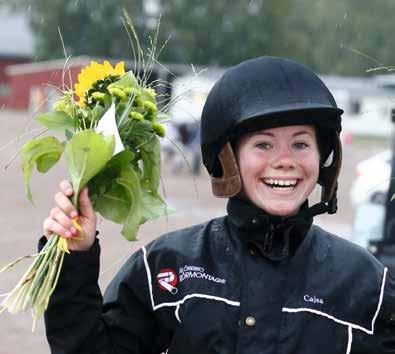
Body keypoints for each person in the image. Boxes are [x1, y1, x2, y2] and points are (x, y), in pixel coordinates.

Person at [41, 56, 395, 354]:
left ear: (323, 158)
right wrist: (74, 257)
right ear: (228, 159)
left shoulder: (366, 283)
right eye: (264, 145)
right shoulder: (168, 266)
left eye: (301, 144)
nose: (285, 160)